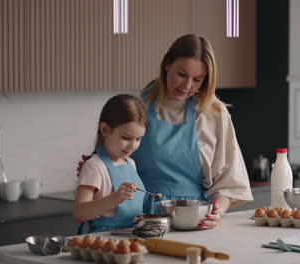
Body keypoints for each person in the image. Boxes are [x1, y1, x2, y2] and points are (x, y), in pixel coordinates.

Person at [78, 34, 253, 230]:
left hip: (193, 218)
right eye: (181, 74)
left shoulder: (213, 114)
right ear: (166, 64)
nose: (187, 86)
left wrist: (217, 211)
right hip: (140, 218)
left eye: (197, 79)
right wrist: (96, 170)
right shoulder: (138, 107)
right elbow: (109, 163)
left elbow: (229, 182)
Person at [74, 94, 147, 234]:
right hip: (104, 238)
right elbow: (79, 213)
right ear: (105, 130)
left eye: (138, 139)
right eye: (126, 138)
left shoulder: (131, 163)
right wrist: (115, 198)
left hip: (132, 234)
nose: (133, 145)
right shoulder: (94, 166)